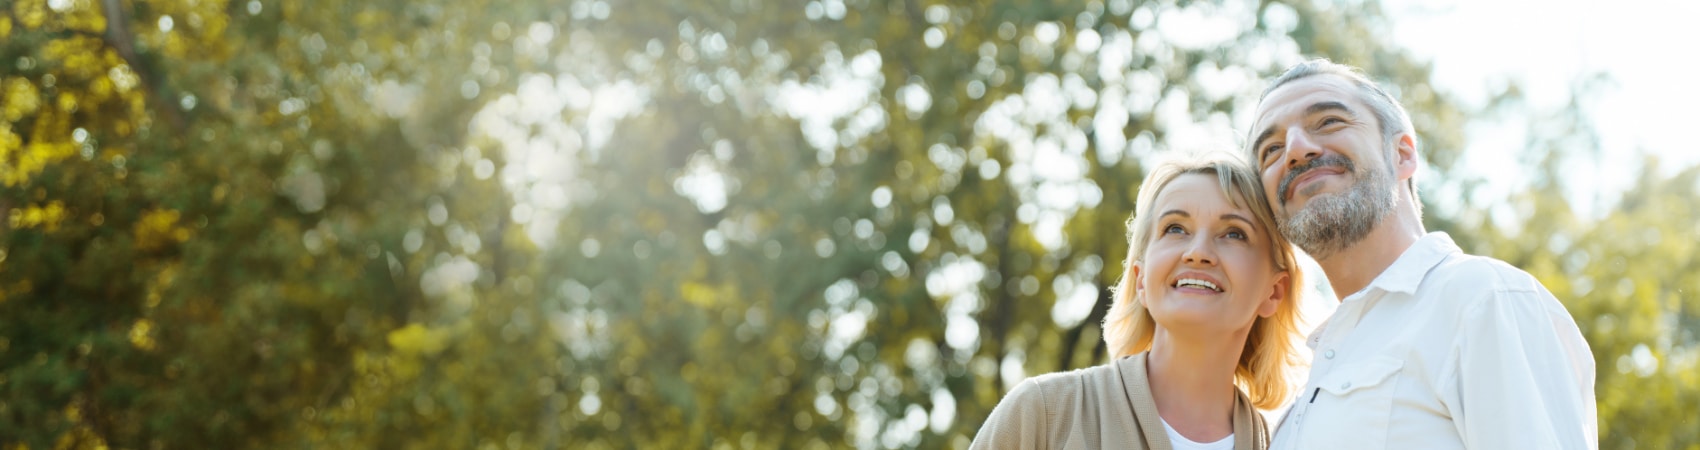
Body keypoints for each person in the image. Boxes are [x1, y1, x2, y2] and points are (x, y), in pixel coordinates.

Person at [1244, 59, 1597, 449]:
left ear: (1403, 154)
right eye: (1271, 150)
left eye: (1328, 121)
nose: (1294, 150)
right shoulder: (1299, 402)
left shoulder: (1484, 299)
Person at [971, 154, 1306, 450]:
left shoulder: (1291, 443)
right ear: (1141, 279)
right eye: (1175, 228)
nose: (1198, 252)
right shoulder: (1043, 415)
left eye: (1234, 233)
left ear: (1274, 291)